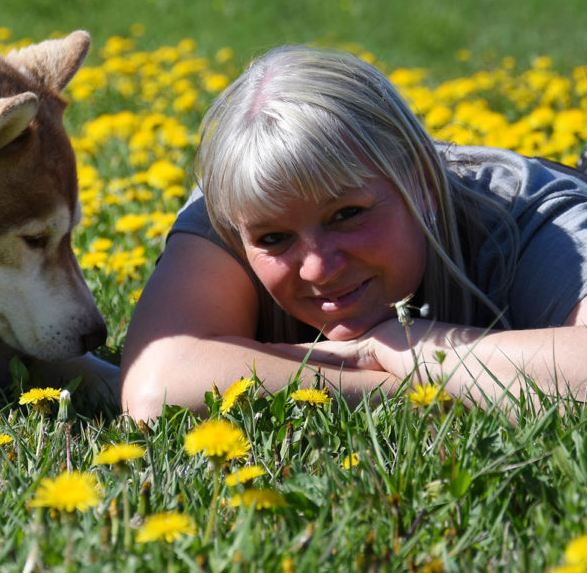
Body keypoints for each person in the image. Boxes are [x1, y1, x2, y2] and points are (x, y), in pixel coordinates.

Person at [120, 45, 587, 420]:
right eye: (273, 240)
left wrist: (415, 344)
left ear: (422, 183)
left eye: (346, 215)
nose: (319, 267)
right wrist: (418, 386)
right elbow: (156, 389)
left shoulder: (527, 215)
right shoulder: (240, 202)